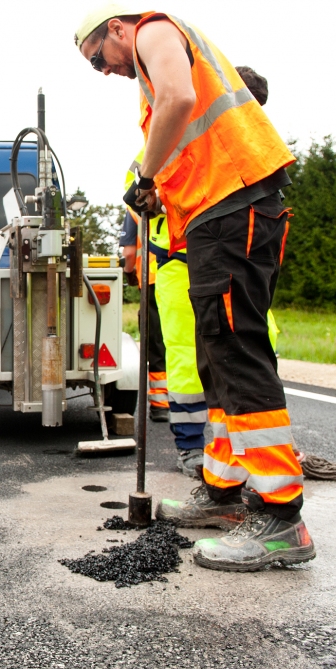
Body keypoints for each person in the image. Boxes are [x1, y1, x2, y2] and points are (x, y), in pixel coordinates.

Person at [74, 5, 314, 571]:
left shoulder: (154, 31)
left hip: (235, 205)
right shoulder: (148, 73)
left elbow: (181, 100)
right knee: (215, 362)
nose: (103, 71)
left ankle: (283, 518)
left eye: (97, 59)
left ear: (117, 28)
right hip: (213, 215)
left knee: (236, 354)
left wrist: (147, 177)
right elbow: (184, 133)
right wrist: (164, 192)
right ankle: (224, 494)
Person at [123, 151, 207, 476]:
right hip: (177, 260)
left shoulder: (226, 130)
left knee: (175, 351)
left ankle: (231, 450)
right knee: (183, 354)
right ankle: (194, 447)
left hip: (178, 265)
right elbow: (136, 195)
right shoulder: (156, 147)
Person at [119, 195, 170, 424]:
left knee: (156, 343)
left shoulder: (134, 208)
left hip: (152, 280)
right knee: (187, 342)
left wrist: (129, 272)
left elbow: (129, 253)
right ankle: (193, 401)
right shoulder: (186, 195)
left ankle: (161, 404)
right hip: (189, 276)